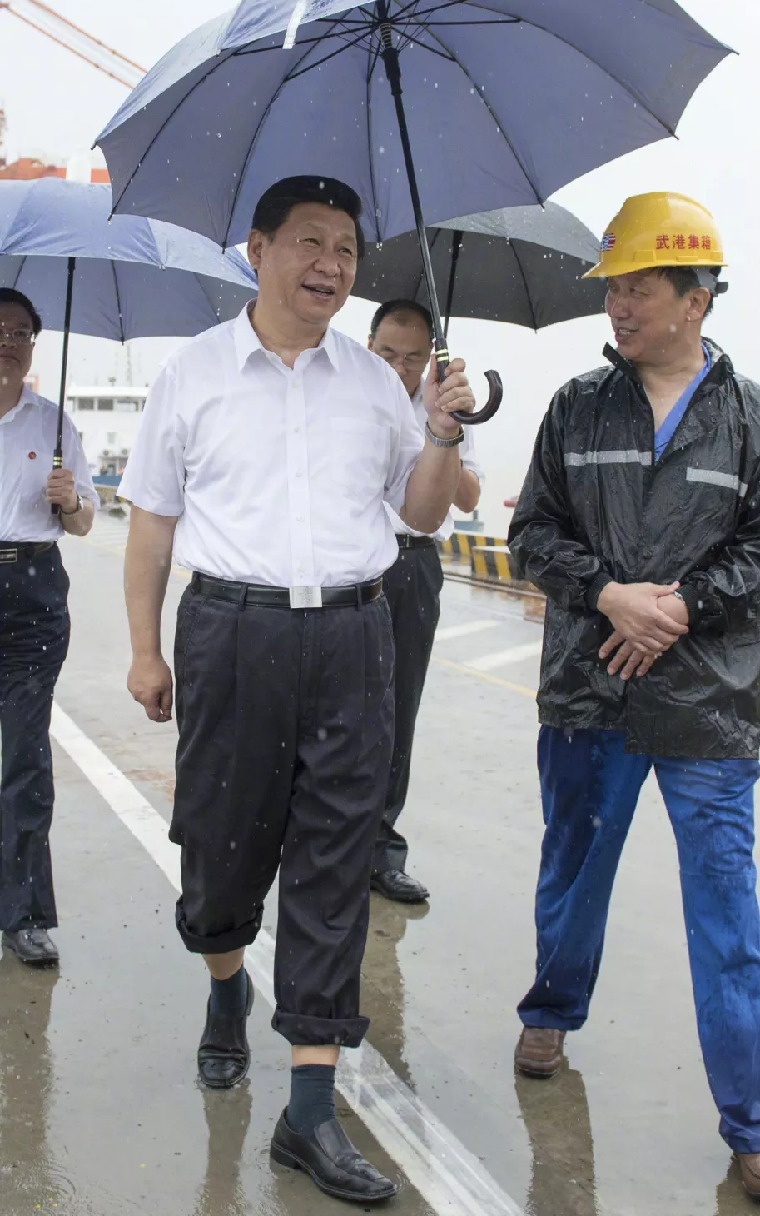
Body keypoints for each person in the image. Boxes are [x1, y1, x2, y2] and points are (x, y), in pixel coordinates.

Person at [120, 176, 475, 1205]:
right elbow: (150, 526)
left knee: (335, 857)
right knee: (219, 849)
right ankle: (225, 987)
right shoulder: (192, 374)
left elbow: (419, 515)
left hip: (355, 634)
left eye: (347, 249)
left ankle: (309, 1107)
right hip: (231, 633)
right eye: (311, 242)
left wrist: (440, 431)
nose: (332, 264)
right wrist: (145, 651)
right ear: (258, 248)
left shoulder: (372, 382)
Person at [508, 194, 760, 1203]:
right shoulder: (575, 408)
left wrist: (677, 606)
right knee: (571, 874)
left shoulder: (755, 418)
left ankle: (754, 1123)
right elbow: (531, 534)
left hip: (705, 707)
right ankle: (549, 1009)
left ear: (695, 298)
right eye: (613, 289)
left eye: (638, 288)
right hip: (586, 692)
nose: (619, 306)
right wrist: (608, 596)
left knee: (725, 915)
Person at [367, 299, 484, 903]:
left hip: (413, 565)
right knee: (335, 709)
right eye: (387, 353)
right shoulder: (348, 393)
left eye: (412, 357)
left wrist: (442, 429)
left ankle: (381, 851)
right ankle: (320, 842)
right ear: (368, 345)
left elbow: (469, 498)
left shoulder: (447, 402)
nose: (399, 367)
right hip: (353, 565)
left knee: (398, 708)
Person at [0, 288, 98, 965]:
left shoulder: (55, 426)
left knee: (25, 758)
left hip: (33, 595)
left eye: (20, 332)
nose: (7, 341)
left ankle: (25, 913)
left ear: (34, 345)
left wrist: (68, 504)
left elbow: (85, 521)